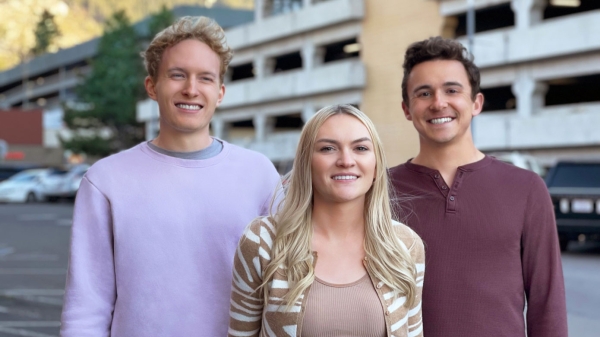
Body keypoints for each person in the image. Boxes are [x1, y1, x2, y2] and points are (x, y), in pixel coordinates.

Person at [60, 16, 281, 337]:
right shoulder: (106, 180)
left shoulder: (259, 174)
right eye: (177, 75)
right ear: (152, 86)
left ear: (220, 93)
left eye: (205, 78)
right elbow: (86, 304)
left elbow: (284, 287)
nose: (191, 89)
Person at [389, 36, 567, 337]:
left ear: (476, 103)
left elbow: (546, 304)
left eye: (452, 90)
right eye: (424, 93)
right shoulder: (380, 190)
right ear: (407, 109)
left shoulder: (526, 189)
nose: (438, 102)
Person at [228, 104, 425, 337]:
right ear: (306, 164)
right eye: (328, 148)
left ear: (376, 167)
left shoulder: (405, 245)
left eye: (361, 148)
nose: (345, 160)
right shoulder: (262, 240)